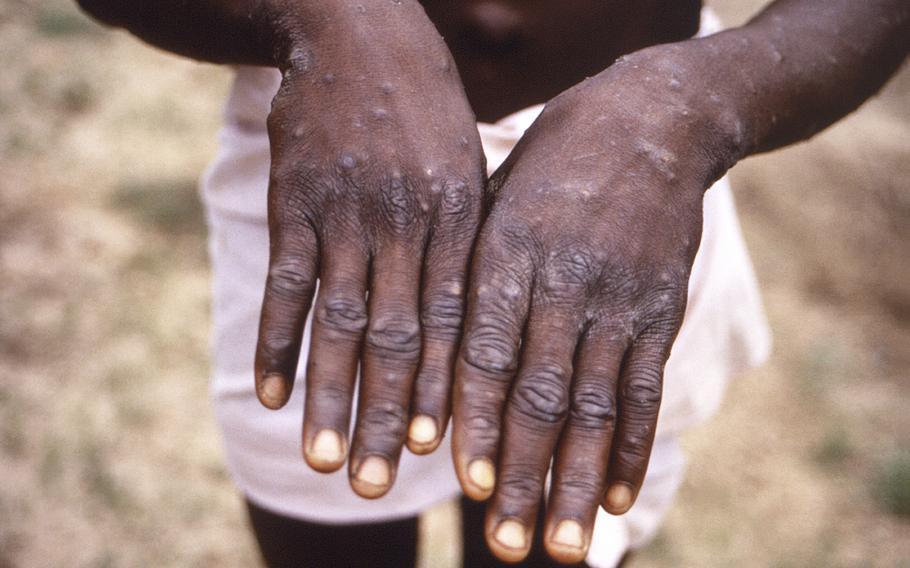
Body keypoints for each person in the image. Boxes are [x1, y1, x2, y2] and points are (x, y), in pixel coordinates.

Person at [74, 1, 909, 566]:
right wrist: (328, 15)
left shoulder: (667, 132)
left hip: (629, 188)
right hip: (343, 147)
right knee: (321, 530)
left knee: (555, 536)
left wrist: (687, 109)